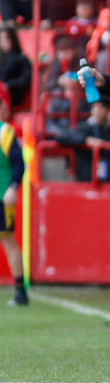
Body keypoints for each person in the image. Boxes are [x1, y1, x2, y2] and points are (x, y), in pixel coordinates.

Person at [0, 84, 26, 306]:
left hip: (2, 195)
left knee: (7, 240)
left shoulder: (5, 132)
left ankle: (20, 290)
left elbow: (19, 163)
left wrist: (13, 187)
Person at [54, 95, 110, 182]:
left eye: (102, 107)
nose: (98, 110)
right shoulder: (84, 128)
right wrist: (85, 139)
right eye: (95, 106)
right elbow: (61, 136)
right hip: (85, 180)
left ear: (108, 110)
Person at [0, 25, 32, 108]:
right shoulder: (1, 58)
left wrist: (8, 85)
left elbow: (25, 80)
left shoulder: (21, 58)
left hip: (11, 95)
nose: (2, 42)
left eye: (6, 38)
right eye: (1, 39)